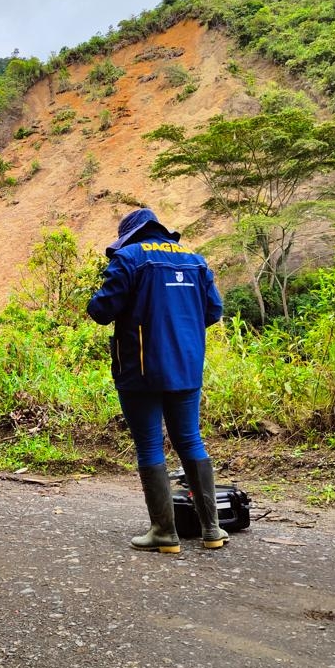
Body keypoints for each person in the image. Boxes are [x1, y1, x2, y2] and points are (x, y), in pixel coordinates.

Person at [86, 208, 227, 554]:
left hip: (141, 369)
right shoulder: (195, 261)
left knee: (150, 445)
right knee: (190, 440)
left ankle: (165, 532)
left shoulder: (129, 258)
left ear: (130, 235)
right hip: (187, 367)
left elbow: (101, 311)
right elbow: (213, 311)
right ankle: (211, 530)